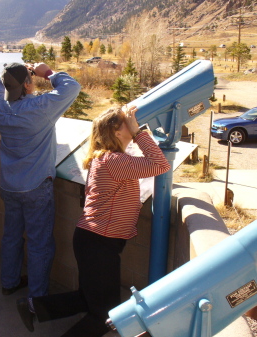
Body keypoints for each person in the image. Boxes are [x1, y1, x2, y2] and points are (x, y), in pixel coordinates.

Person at [16, 106, 171, 336]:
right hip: (99, 242)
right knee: (105, 315)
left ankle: (33, 307)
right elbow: (161, 165)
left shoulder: (107, 159)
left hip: (95, 240)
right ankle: (34, 308)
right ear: (116, 132)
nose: (132, 124)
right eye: (126, 122)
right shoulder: (114, 161)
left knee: (89, 298)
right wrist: (139, 133)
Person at [0, 63, 81, 300]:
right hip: (35, 187)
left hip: (8, 186)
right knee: (39, 243)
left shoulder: (0, 106)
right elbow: (72, 87)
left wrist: (12, 75)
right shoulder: (39, 108)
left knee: (11, 236)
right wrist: (47, 72)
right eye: (30, 78)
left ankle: (8, 282)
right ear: (28, 85)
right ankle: (37, 299)